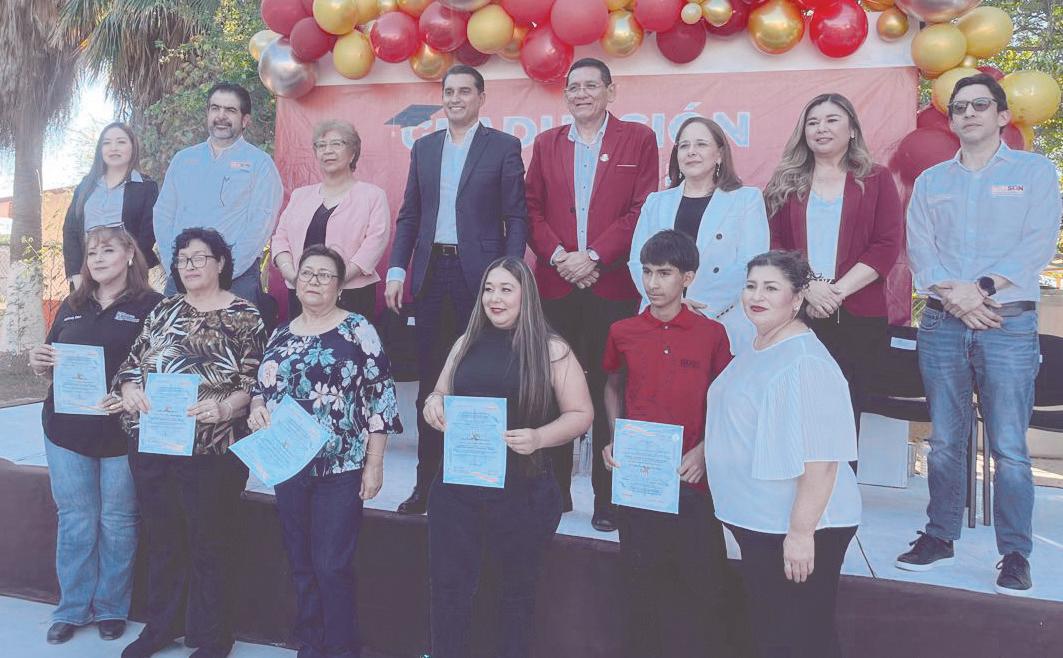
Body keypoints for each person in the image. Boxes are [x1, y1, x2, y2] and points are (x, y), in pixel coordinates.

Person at [897, 73, 1062, 596]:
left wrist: (982, 289)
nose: (968, 114)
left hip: (1007, 321)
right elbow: (921, 249)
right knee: (945, 441)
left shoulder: (1034, 172)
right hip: (944, 321)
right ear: (951, 120)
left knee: (1009, 446)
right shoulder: (932, 182)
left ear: (1002, 115)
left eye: (980, 105)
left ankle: (1014, 554)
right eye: (959, 107)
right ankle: (939, 536)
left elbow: (1038, 241)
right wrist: (957, 298)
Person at [421, 257, 592, 658]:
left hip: (522, 492)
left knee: (511, 594)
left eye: (505, 290)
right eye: (488, 289)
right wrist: (433, 404)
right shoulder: (465, 342)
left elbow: (581, 414)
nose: (494, 298)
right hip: (457, 490)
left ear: (525, 296)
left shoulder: (552, 349)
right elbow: (440, 391)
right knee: (448, 589)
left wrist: (539, 437)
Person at [114, 227, 267, 658]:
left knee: (210, 541)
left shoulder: (246, 315)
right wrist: (130, 389)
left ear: (221, 263)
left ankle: (213, 635)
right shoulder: (164, 309)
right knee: (162, 538)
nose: (190, 266)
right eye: (182, 259)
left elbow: (255, 383)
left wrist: (225, 408)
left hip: (212, 449)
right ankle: (162, 626)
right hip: (155, 443)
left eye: (199, 257)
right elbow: (132, 363)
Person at [386, 64, 528, 515]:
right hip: (431, 275)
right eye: (449, 91)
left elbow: (516, 216)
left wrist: (510, 274)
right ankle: (426, 485)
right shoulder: (424, 148)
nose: (455, 99)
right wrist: (396, 270)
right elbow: (410, 215)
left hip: (483, 278)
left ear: (481, 98)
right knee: (432, 381)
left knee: (481, 378)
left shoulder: (503, 146)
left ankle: (477, 481)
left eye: (465, 91)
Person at [248, 245, 402, 658]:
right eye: (307, 273)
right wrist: (258, 408)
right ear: (295, 282)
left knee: (332, 563)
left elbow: (381, 398)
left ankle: (342, 646)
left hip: (342, 466)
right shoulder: (280, 334)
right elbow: (261, 388)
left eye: (324, 275)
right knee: (300, 561)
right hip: (288, 465)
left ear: (339, 287)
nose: (313, 281)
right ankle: (311, 643)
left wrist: (375, 463)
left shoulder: (357, 329)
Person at [705, 250, 861, 658]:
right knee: (774, 632)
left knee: (800, 638)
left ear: (797, 299)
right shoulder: (760, 345)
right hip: (760, 521)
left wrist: (801, 534)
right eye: (751, 286)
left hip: (799, 527)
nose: (757, 296)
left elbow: (822, 461)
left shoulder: (806, 361)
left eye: (771, 288)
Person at [525, 57, 659, 531]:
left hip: (612, 284)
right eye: (573, 87)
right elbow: (531, 209)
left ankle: (607, 497)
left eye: (590, 86)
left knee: (609, 388)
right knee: (555, 386)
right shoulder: (546, 143)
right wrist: (561, 256)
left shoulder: (638, 139)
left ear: (610, 91)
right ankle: (555, 492)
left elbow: (642, 207)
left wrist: (596, 256)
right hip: (556, 284)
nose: (581, 94)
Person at [601, 230, 737, 658]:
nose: (653, 283)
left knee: (704, 587)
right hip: (640, 481)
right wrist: (616, 437)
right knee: (639, 586)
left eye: (664, 273)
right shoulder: (623, 331)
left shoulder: (712, 334)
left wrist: (705, 450)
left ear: (688, 278)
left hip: (692, 480)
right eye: (647, 272)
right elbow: (612, 386)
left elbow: (726, 401)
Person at [28, 227, 162, 646]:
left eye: (107, 250)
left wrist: (133, 394)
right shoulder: (72, 304)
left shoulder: (153, 306)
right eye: (91, 253)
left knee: (118, 521)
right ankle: (71, 609)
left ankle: (110, 608)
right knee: (76, 520)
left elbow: (165, 366)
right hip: (66, 432)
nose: (98, 259)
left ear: (130, 255)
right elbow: (52, 362)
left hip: (122, 433)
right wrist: (40, 362)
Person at [764, 93, 902, 421]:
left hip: (858, 314)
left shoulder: (876, 178)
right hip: (797, 310)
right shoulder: (785, 181)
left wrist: (833, 294)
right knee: (795, 410)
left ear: (852, 129)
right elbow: (774, 242)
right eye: (812, 122)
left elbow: (886, 244)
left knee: (846, 412)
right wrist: (808, 286)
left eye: (831, 120)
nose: (821, 128)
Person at [628, 116, 768, 354]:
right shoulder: (656, 202)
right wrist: (671, 305)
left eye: (701, 144)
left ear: (719, 154)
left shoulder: (747, 199)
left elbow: (752, 263)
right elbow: (637, 261)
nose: (691, 151)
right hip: (661, 319)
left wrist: (699, 308)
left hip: (721, 320)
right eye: (684, 145)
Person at [153, 82, 283, 303]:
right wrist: (174, 264)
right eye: (215, 108)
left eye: (230, 110)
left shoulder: (260, 164)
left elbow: (260, 225)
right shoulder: (183, 160)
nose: (221, 116)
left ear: (245, 120)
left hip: (236, 279)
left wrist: (223, 270)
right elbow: (163, 214)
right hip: (182, 277)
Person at [271, 120, 391, 320]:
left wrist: (336, 281)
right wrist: (292, 276)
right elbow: (280, 239)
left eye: (336, 144)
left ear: (352, 153)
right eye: (321, 145)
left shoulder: (373, 196)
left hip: (352, 294)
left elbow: (374, 245)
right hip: (302, 293)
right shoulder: (300, 195)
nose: (328, 151)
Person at [62, 122, 159, 288]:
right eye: (107, 143)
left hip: (129, 278)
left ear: (133, 147)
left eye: (121, 142)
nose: (113, 148)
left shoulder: (146, 187)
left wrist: (130, 274)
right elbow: (70, 230)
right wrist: (77, 276)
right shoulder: (86, 185)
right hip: (86, 276)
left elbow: (148, 235)